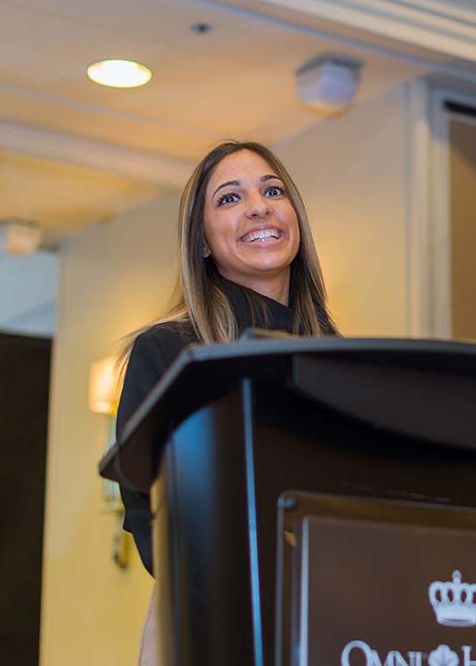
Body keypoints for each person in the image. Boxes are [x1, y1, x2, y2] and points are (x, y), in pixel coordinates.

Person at [115, 140, 338, 577]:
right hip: (218, 616)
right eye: (230, 198)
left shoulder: (342, 361)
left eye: (273, 191)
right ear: (201, 241)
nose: (260, 208)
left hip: (340, 621)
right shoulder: (168, 352)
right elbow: (156, 526)